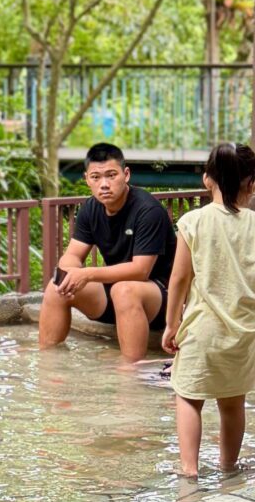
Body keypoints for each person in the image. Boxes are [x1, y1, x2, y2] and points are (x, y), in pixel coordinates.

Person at [162, 142, 255, 476]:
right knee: (232, 402)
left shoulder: (193, 222)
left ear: (206, 180)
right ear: (253, 184)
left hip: (202, 330)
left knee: (188, 397)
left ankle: (189, 470)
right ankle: (228, 466)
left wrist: (171, 324)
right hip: (243, 332)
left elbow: (180, 278)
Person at [38, 142, 176, 358]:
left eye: (111, 175)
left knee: (124, 290)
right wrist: (70, 273)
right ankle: (48, 359)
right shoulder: (91, 208)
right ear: (86, 179)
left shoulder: (148, 211)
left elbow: (141, 271)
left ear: (126, 174)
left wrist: (87, 273)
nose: (104, 184)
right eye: (96, 177)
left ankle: (129, 373)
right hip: (113, 295)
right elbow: (73, 255)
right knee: (57, 285)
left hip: (160, 299)